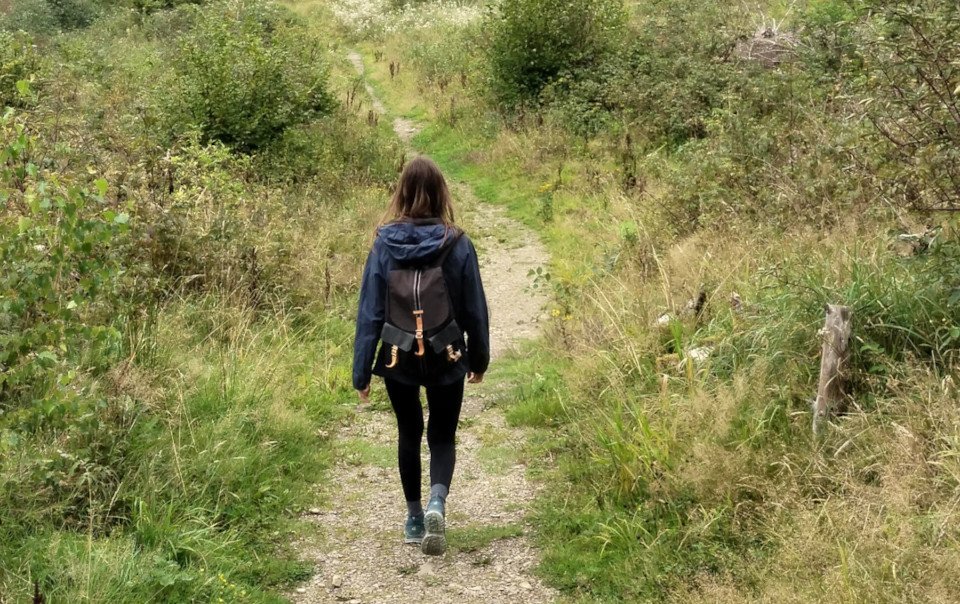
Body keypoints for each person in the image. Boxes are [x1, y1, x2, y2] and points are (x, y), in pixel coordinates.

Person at [352, 155, 490, 556]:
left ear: (402, 192)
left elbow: (370, 312)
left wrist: (362, 372)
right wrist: (478, 359)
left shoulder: (384, 243)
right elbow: (474, 309)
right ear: (442, 192)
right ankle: (436, 502)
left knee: (408, 432)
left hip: (398, 354)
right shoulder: (458, 243)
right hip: (447, 350)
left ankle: (414, 518)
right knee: (442, 434)